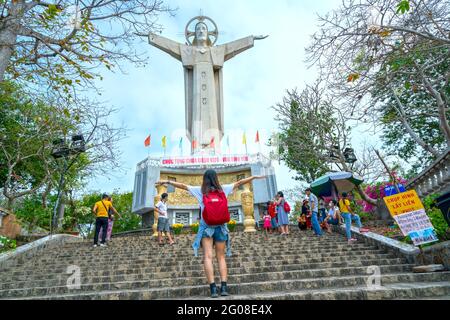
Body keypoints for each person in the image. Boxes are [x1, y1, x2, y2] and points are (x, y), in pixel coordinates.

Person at [156, 170, 265, 298]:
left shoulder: (200, 190)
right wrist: (255, 176)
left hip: (206, 227)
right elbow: (240, 182)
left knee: (208, 257)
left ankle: (213, 289)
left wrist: (167, 181)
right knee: (221, 257)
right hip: (221, 227)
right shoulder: (223, 189)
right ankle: (224, 287)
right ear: (216, 178)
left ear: (204, 179)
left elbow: (183, 186)